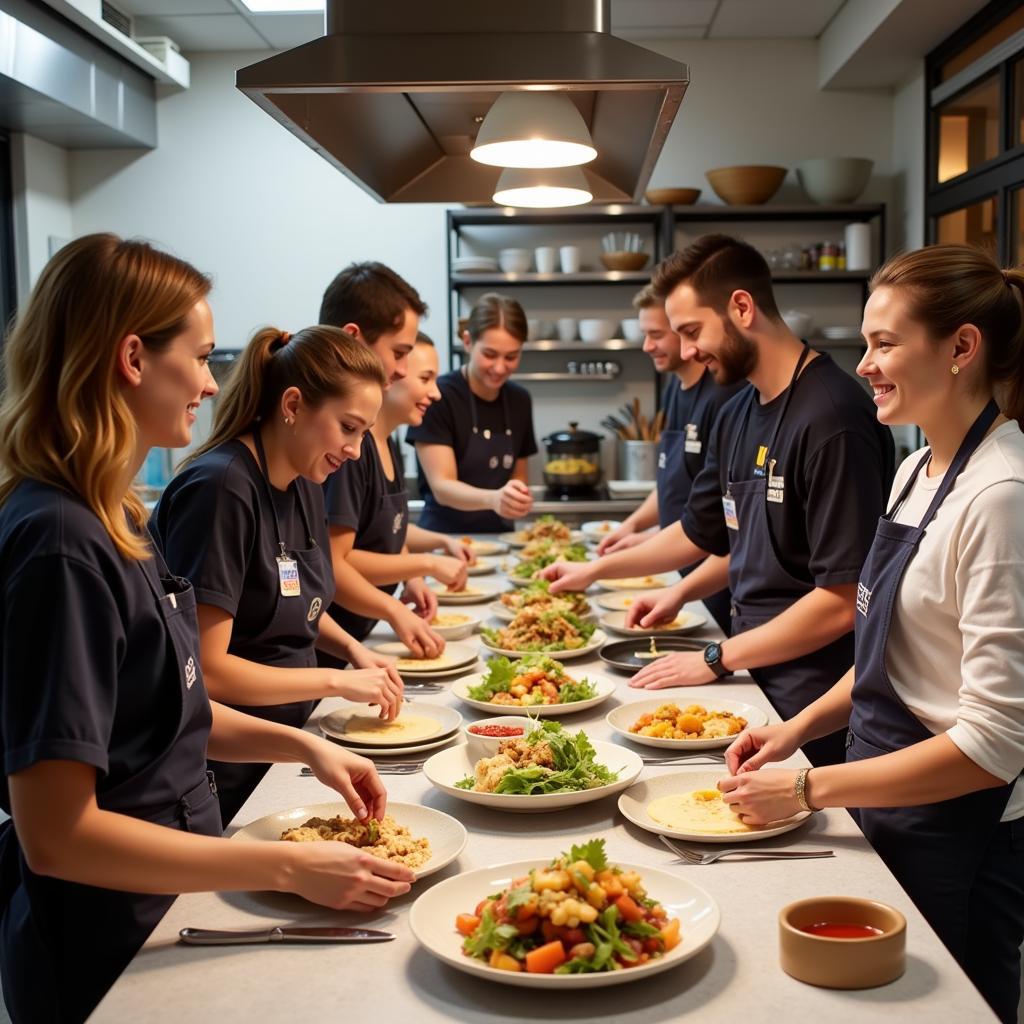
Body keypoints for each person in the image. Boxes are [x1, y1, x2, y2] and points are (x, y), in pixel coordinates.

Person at [0, 234, 412, 1024]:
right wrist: (282, 868)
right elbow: (55, 834)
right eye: (197, 355)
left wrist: (305, 745)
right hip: (106, 943)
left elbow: (169, 713)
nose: (211, 381)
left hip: (167, 898)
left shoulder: (115, 517)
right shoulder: (60, 544)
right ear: (131, 359)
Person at [719, 244, 1024, 1023]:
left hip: (956, 824)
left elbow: (992, 745)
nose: (864, 365)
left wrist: (807, 789)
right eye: (865, 343)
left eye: (885, 342)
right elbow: (887, 655)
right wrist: (797, 731)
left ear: (961, 348)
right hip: (881, 793)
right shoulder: (913, 469)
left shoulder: (1002, 495)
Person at [543, 235, 894, 766]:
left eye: (691, 332)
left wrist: (715, 656)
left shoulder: (833, 418)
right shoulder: (736, 413)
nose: (686, 352)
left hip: (812, 701)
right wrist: (597, 571)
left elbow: (843, 600)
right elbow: (700, 532)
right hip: (752, 676)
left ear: (742, 308)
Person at [151, 325, 404, 827]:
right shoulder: (222, 489)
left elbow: (297, 607)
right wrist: (335, 677)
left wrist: (353, 650)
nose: (356, 449)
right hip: (232, 767)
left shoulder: (306, 477)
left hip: (292, 743)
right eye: (349, 427)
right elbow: (209, 669)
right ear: (293, 404)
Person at [319, 263, 460, 656]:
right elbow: (333, 563)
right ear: (354, 340)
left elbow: (385, 535)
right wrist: (422, 568)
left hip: (358, 639)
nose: (401, 369)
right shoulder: (344, 452)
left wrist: (410, 575)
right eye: (400, 354)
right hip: (337, 646)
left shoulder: (384, 438)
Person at [599, 284, 745, 632]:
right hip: (677, 571)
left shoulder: (722, 398)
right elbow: (671, 481)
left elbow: (720, 520)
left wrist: (647, 542)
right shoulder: (674, 390)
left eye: (656, 335)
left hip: (709, 579)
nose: (647, 346)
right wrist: (633, 526)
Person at [407, 292, 537, 534]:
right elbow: (442, 487)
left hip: (502, 538)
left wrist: (518, 497)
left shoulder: (520, 400)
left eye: (511, 357)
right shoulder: (438, 396)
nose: (500, 367)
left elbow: (518, 477)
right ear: (468, 342)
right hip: (444, 538)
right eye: (489, 355)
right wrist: (495, 499)